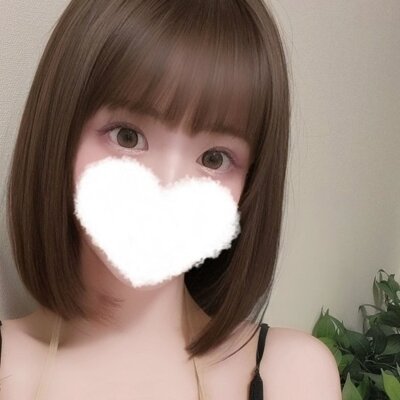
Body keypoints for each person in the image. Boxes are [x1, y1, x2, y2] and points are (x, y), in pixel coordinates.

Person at [0, 0, 341, 399]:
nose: (167, 186)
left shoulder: (292, 375)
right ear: (59, 133)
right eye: (128, 136)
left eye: (214, 159)